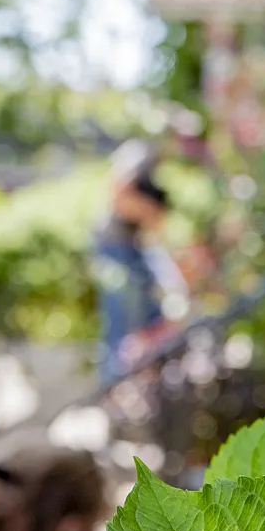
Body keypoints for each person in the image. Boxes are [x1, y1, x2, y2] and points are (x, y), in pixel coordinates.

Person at [91, 145, 187, 375]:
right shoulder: (140, 156)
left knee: (150, 318)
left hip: (134, 246)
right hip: (117, 248)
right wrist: (147, 211)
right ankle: (113, 383)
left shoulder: (155, 164)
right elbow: (118, 192)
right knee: (122, 321)